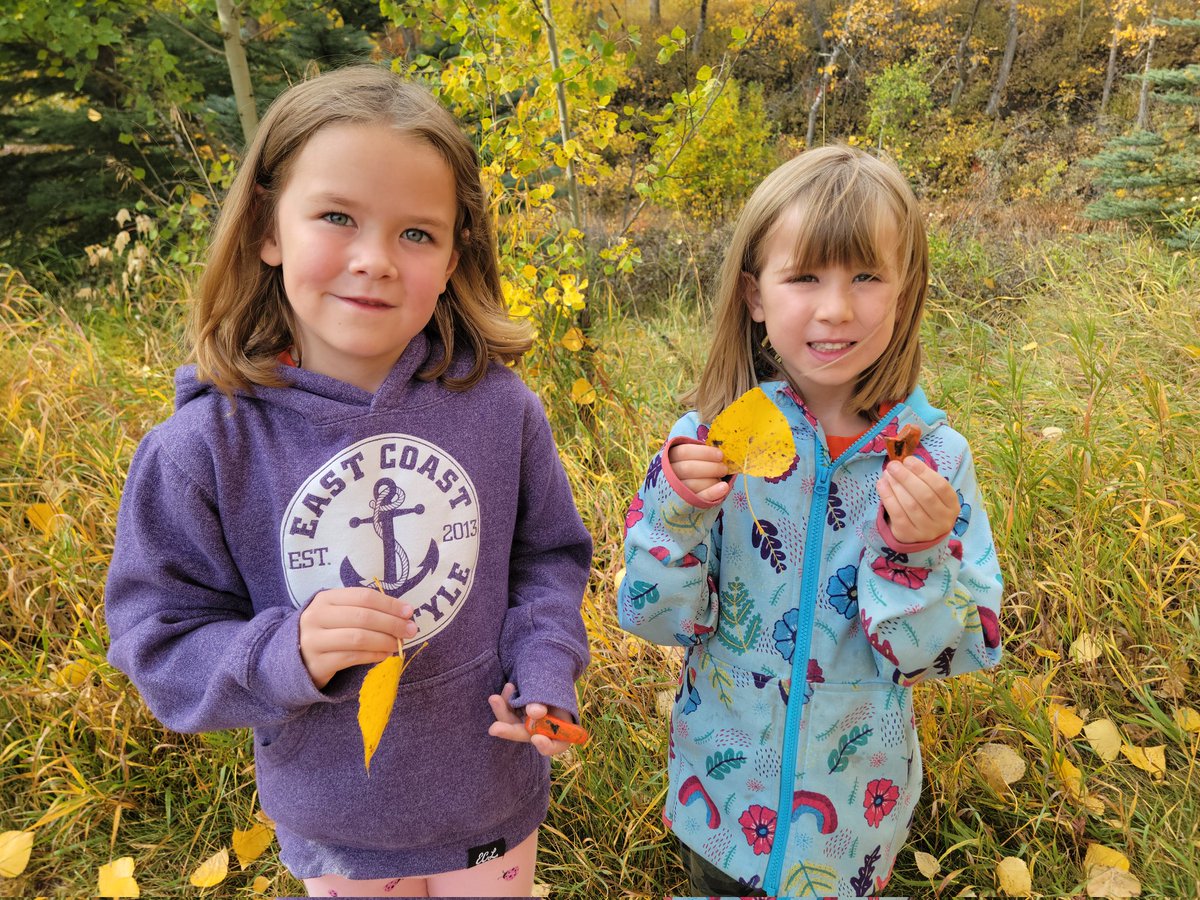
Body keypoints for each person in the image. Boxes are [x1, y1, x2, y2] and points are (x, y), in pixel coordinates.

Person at [105, 65, 592, 898]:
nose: (374, 261)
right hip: (337, 826)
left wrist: (544, 674)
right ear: (268, 228)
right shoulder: (204, 447)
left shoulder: (499, 408)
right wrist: (284, 651)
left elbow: (547, 561)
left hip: (490, 802)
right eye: (337, 217)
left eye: (417, 233)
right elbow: (157, 638)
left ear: (452, 255)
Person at [618, 145, 1002, 897]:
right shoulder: (710, 440)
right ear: (755, 294)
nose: (836, 309)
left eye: (866, 276)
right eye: (805, 278)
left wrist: (916, 554)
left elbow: (950, 654)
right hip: (721, 800)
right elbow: (651, 617)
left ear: (905, 290)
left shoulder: (935, 461)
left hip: (856, 815)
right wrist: (679, 512)